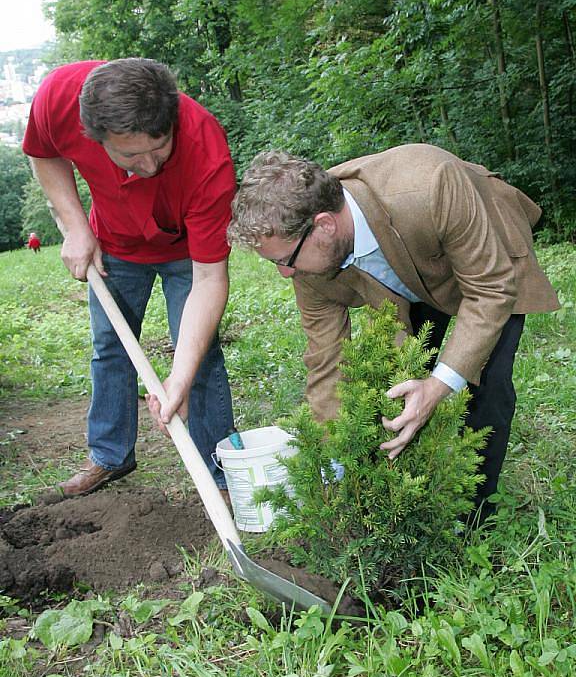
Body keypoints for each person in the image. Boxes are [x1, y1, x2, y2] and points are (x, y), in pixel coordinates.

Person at [228, 145, 560, 522]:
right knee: (397, 380)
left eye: (283, 261)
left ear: (324, 226)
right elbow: (326, 360)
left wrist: (438, 387)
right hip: (406, 271)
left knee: (485, 384)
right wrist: (331, 461)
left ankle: (475, 515)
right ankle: (412, 498)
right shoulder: (308, 264)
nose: (284, 274)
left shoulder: (429, 189)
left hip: (485, 254)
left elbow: (490, 289)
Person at [23, 58, 236, 498]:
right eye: (131, 155)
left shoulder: (206, 149)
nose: (152, 166)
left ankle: (218, 469)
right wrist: (75, 226)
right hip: (115, 244)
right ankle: (109, 455)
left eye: (159, 148)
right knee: (111, 346)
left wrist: (176, 377)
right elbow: (43, 154)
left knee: (199, 356)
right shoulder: (59, 98)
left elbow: (209, 278)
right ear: (93, 134)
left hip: (185, 252)